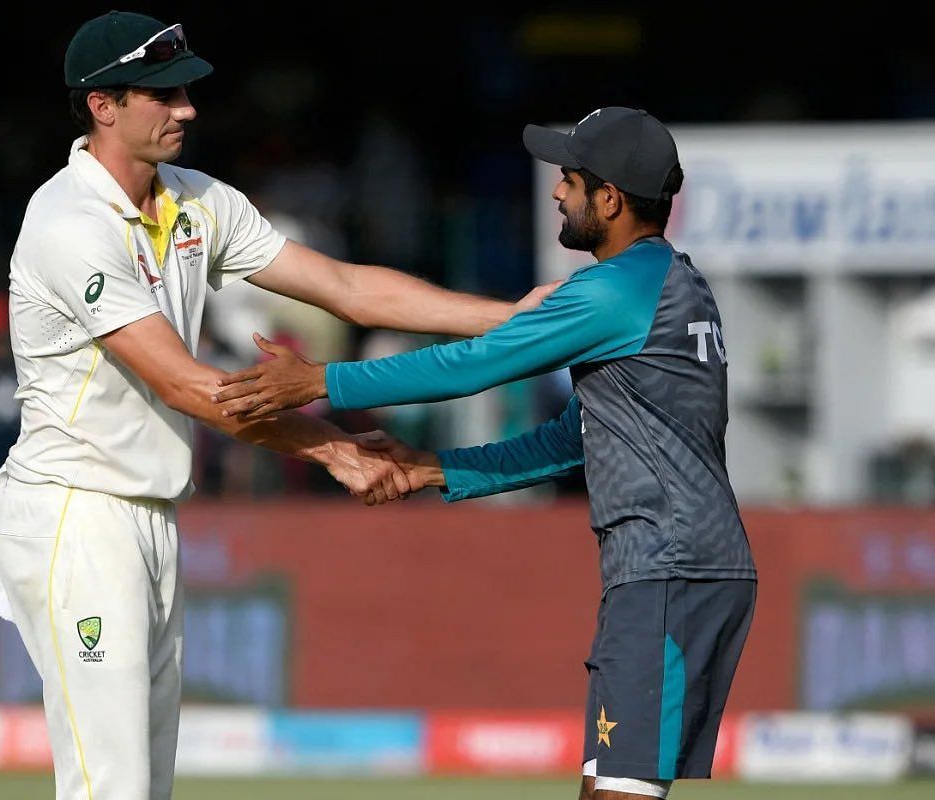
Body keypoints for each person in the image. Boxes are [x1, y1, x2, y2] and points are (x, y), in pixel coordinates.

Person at [0, 11, 554, 800]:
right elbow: (187, 386)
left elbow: (345, 286)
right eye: (162, 94)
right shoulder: (67, 221)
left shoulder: (197, 201)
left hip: (150, 513)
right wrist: (334, 448)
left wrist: (516, 317)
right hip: (75, 515)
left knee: (142, 787)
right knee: (112, 788)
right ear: (102, 105)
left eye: (187, 93)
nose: (188, 109)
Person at [212, 107, 757, 800]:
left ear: (610, 199)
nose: (557, 193)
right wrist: (434, 470)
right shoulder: (670, 280)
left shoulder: (617, 289)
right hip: (679, 567)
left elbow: (474, 365)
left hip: (668, 569)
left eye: (569, 179)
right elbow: (571, 441)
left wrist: (322, 380)